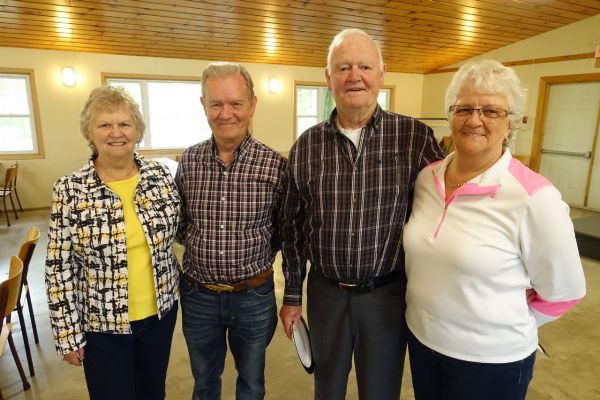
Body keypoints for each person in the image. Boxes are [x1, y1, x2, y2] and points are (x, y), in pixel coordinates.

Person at [403, 59, 587, 400]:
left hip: (489, 361)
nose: (475, 120)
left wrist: (501, 320)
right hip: (423, 341)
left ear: (511, 124)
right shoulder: (427, 179)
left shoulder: (534, 197)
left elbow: (566, 290)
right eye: (464, 108)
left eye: (491, 111)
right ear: (451, 115)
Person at [279, 28, 444, 399]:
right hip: (326, 294)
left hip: (386, 295)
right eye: (343, 67)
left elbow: (446, 209)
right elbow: (291, 230)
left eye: (365, 66)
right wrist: (292, 296)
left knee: (381, 391)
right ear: (328, 78)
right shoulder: (306, 146)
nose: (355, 76)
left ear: (382, 75)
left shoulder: (414, 137)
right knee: (328, 388)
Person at [45, 86, 181, 400]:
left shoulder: (159, 177)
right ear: (90, 133)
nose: (116, 133)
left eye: (124, 124)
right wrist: (67, 334)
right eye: (104, 124)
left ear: (138, 131)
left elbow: (182, 230)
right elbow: (58, 268)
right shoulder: (70, 190)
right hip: (101, 325)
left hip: (159, 315)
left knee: (152, 393)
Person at [175, 62, 287, 400]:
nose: (226, 113)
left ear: (252, 105)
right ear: (203, 105)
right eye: (216, 103)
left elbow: (282, 231)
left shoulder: (275, 166)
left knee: (251, 384)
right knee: (204, 383)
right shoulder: (189, 162)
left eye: (236, 103)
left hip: (253, 296)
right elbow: (180, 224)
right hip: (198, 296)